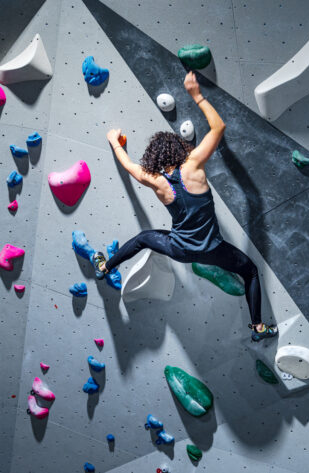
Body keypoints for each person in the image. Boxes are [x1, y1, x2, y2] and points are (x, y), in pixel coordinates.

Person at [93, 71, 277, 342]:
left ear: (154, 157)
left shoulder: (154, 180)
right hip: (213, 250)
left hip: (179, 249)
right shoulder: (193, 165)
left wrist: (114, 141)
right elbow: (218, 128)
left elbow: (131, 167)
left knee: (145, 238)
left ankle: (105, 268)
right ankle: (258, 327)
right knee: (249, 271)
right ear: (179, 149)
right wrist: (197, 96)